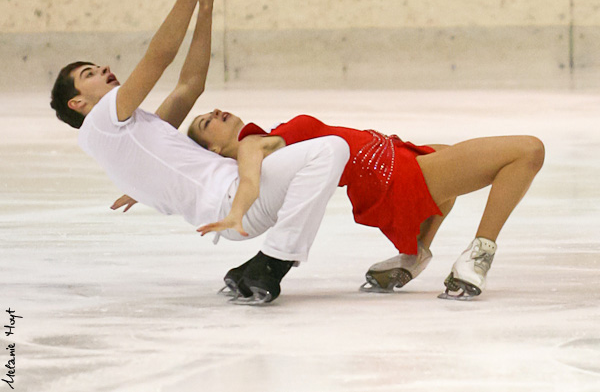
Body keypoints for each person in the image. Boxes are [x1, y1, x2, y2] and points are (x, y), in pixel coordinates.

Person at [50, 0, 350, 305]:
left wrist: (205, 11)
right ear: (78, 104)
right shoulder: (102, 121)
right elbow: (158, 57)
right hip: (232, 200)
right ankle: (273, 261)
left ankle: (259, 265)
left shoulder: (131, 130)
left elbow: (190, 84)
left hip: (237, 202)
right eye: (89, 74)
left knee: (320, 151)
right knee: (329, 149)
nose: (102, 69)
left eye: (97, 66)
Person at [180, 109, 545, 300]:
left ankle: (415, 252)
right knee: (528, 150)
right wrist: (234, 213)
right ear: (214, 150)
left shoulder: (264, 139)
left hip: (396, 159)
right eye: (206, 122)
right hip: (392, 176)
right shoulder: (252, 148)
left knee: (449, 154)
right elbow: (249, 181)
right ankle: (478, 255)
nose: (214, 112)